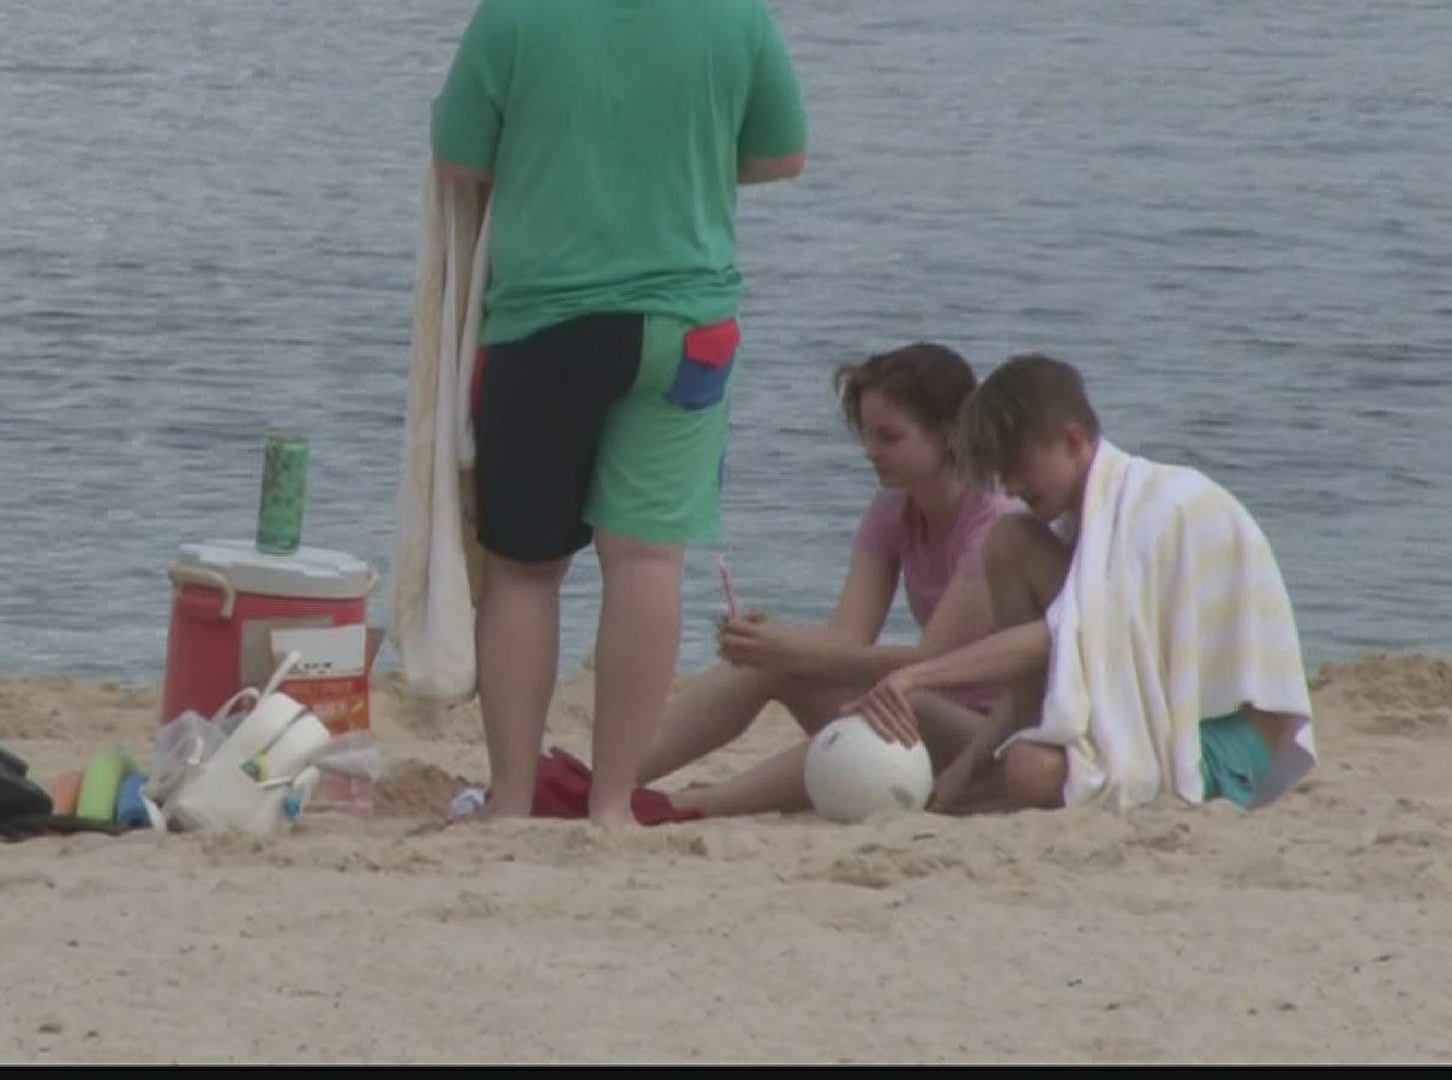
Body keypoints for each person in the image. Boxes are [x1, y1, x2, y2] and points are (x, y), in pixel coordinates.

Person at [430, 0, 809, 827]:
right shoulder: (736, 17)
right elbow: (782, 155)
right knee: (646, 563)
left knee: (525, 570)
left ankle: (514, 805)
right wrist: (684, 158)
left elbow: (457, 159)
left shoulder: (517, 16)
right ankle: (609, 808)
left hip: (545, 324)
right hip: (690, 326)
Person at [846, 354, 1318, 813]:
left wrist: (917, 675)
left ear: (1072, 440)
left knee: (1030, 769)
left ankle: (1013, 780)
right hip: (1171, 705)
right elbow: (1061, 654)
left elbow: (1064, 634)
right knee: (1009, 539)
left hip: (1231, 734)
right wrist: (969, 764)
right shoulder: (1096, 515)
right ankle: (1001, 770)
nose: (1010, 487)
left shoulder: (1152, 511)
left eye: (1019, 467)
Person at [633, 343, 1021, 819]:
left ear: (948, 434)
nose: (870, 452)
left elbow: (934, 661)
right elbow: (848, 640)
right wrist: (770, 646)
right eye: (866, 434)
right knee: (769, 667)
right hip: (923, 713)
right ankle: (611, 781)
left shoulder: (995, 524)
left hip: (995, 737)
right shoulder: (894, 507)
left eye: (889, 437)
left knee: (905, 697)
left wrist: (790, 650)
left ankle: (685, 806)